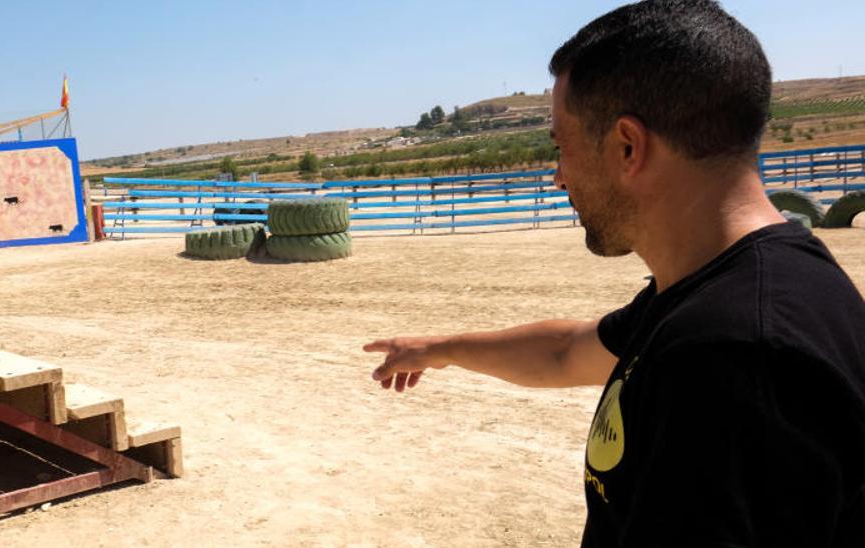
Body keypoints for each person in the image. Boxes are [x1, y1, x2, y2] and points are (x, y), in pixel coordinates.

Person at [364, 0, 865, 545]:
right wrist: (441, 349)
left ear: (628, 146)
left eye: (562, 146)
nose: (558, 178)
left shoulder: (732, 353)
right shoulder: (723, 289)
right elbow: (568, 349)